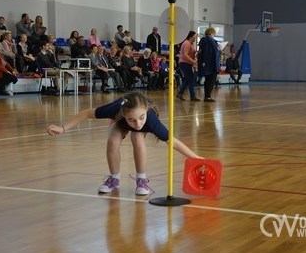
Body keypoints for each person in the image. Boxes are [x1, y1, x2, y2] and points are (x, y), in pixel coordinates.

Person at [46, 91, 203, 194]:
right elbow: (86, 113)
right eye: (132, 120)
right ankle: (114, 179)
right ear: (124, 115)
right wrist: (62, 128)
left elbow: (173, 142)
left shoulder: (150, 120)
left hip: (136, 117)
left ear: (146, 111)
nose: (137, 123)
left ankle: (141, 180)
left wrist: (196, 158)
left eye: (141, 117)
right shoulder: (115, 110)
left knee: (137, 137)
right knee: (113, 141)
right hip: (119, 121)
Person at [198, 27, 220, 102]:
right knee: (211, 81)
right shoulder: (209, 41)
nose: (214, 35)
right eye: (214, 34)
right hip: (211, 64)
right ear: (211, 33)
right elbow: (209, 53)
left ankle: (207, 96)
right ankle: (207, 96)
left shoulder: (204, 41)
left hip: (207, 64)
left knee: (208, 81)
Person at [177, 31, 200, 101]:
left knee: (188, 80)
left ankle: (180, 93)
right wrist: (192, 61)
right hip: (185, 63)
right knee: (190, 79)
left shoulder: (190, 44)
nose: (196, 38)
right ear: (191, 36)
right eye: (195, 36)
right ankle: (192, 96)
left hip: (187, 63)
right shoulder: (187, 43)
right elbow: (185, 54)